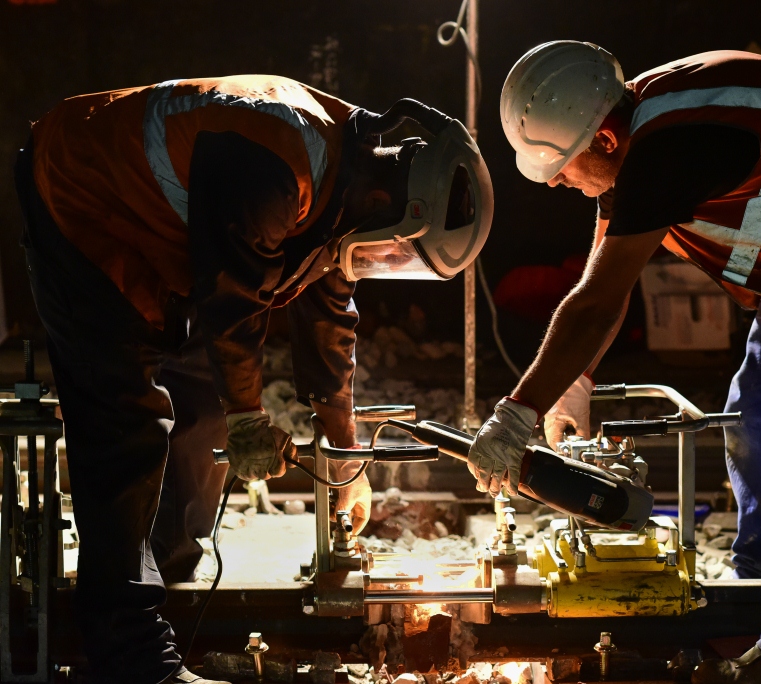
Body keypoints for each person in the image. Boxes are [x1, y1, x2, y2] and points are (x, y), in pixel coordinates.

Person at [469, 42, 761, 684]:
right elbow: (607, 277)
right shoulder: (634, 127)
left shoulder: (670, 150)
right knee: (753, 414)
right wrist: (574, 382)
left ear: (604, 139)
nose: (553, 182)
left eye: (561, 165)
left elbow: (596, 303)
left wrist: (517, 414)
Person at [15, 77, 491, 684]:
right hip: (81, 194)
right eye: (392, 254)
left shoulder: (352, 173)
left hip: (166, 227)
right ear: (384, 200)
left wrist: (345, 449)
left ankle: (162, 566)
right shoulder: (280, 164)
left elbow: (329, 305)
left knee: (206, 395)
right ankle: (130, 654)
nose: (380, 263)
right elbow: (233, 301)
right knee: (124, 419)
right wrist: (248, 419)